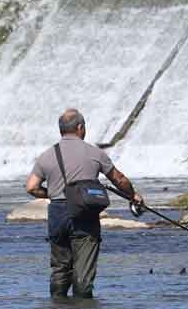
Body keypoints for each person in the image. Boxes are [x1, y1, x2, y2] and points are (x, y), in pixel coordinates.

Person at [25, 108, 143, 298]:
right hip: (84, 214)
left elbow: (31, 187)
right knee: (83, 272)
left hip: (57, 214)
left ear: (61, 130)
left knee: (60, 268)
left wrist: (53, 193)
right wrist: (133, 195)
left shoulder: (46, 155)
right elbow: (118, 179)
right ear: (80, 127)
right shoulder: (94, 153)